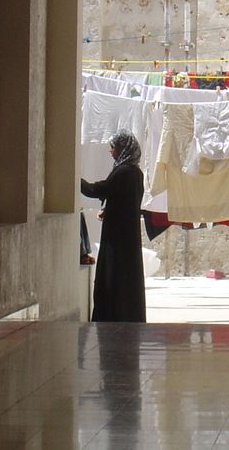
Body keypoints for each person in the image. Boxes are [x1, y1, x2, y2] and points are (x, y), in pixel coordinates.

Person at [80, 130, 147, 322]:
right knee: (127, 276)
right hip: (128, 235)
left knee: (112, 275)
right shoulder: (136, 173)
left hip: (116, 236)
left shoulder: (123, 171)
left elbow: (101, 189)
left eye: (114, 147)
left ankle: (111, 315)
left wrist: (78, 182)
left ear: (123, 149)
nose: (111, 151)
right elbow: (126, 200)